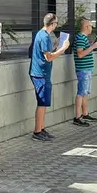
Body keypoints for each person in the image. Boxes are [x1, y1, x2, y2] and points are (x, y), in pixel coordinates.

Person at [30, 13, 70, 141]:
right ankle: (37, 132)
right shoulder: (45, 37)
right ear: (52, 24)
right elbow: (49, 57)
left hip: (41, 73)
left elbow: (46, 52)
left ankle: (41, 128)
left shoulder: (41, 34)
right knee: (42, 103)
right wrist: (63, 48)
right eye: (56, 23)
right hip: (41, 74)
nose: (56, 25)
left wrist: (55, 46)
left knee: (44, 103)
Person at [73, 18, 97, 126]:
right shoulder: (80, 38)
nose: (92, 29)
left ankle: (85, 113)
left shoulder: (83, 38)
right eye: (91, 26)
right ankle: (77, 117)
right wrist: (93, 46)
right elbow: (80, 54)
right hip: (83, 70)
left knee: (85, 92)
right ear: (86, 27)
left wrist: (91, 46)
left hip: (87, 69)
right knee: (81, 93)